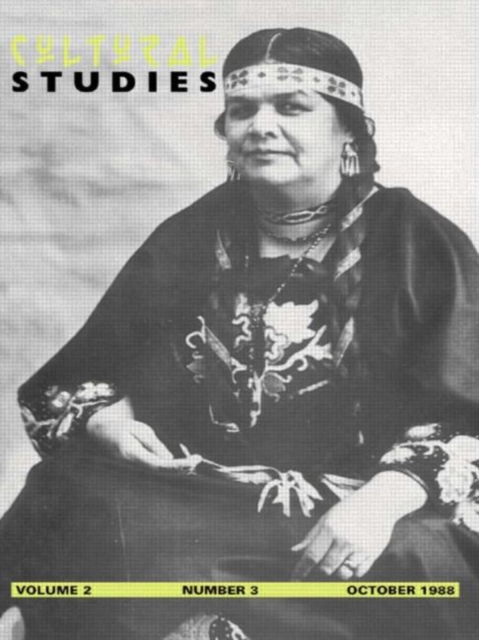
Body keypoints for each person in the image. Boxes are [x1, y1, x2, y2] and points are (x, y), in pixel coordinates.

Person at [1, 27, 479, 640]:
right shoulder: (194, 234)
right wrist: (108, 421)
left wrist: (383, 500)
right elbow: (81, 375)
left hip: (364, 506)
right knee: (67, 491)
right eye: (242, 109)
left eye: (292, 107)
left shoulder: (417, 242)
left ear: (349, 134)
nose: (260, 126)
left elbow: (467, 412)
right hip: (210, 498)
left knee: (419, 560)